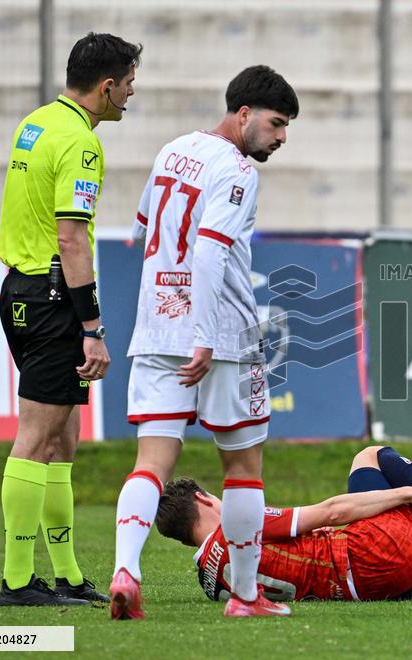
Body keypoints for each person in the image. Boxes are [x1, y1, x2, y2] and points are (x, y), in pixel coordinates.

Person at [108, 65, 300, 620]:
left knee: (151, 462)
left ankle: (126, 571)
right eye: (276, 123)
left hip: (157, 326)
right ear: (244, 114)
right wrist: (205, 333)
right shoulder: (238, 171)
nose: (281, 137)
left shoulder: (173, 150)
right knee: (243, 468)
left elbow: (142, 230)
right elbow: (212, 250)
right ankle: (245, 597)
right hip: (222, 336)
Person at [0, 32, 142, 607]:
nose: (130, 96)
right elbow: (71, 236)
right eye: (128, 86)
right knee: (35, 440)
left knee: (63, 440)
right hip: (54, 299)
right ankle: (15, 582)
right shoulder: (81, 144)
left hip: (20, 291)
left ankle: (65, 574)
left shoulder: (34, 124)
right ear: (106, 87)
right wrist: (92, 327)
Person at [155, 446, 412, 602]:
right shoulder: (238, 522)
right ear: (204, 499)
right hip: (371, 556)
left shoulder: (209, 583)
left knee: (388, 538)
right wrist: (409, 494)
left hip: (383, 589)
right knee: (370, 458)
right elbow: (331, 511)